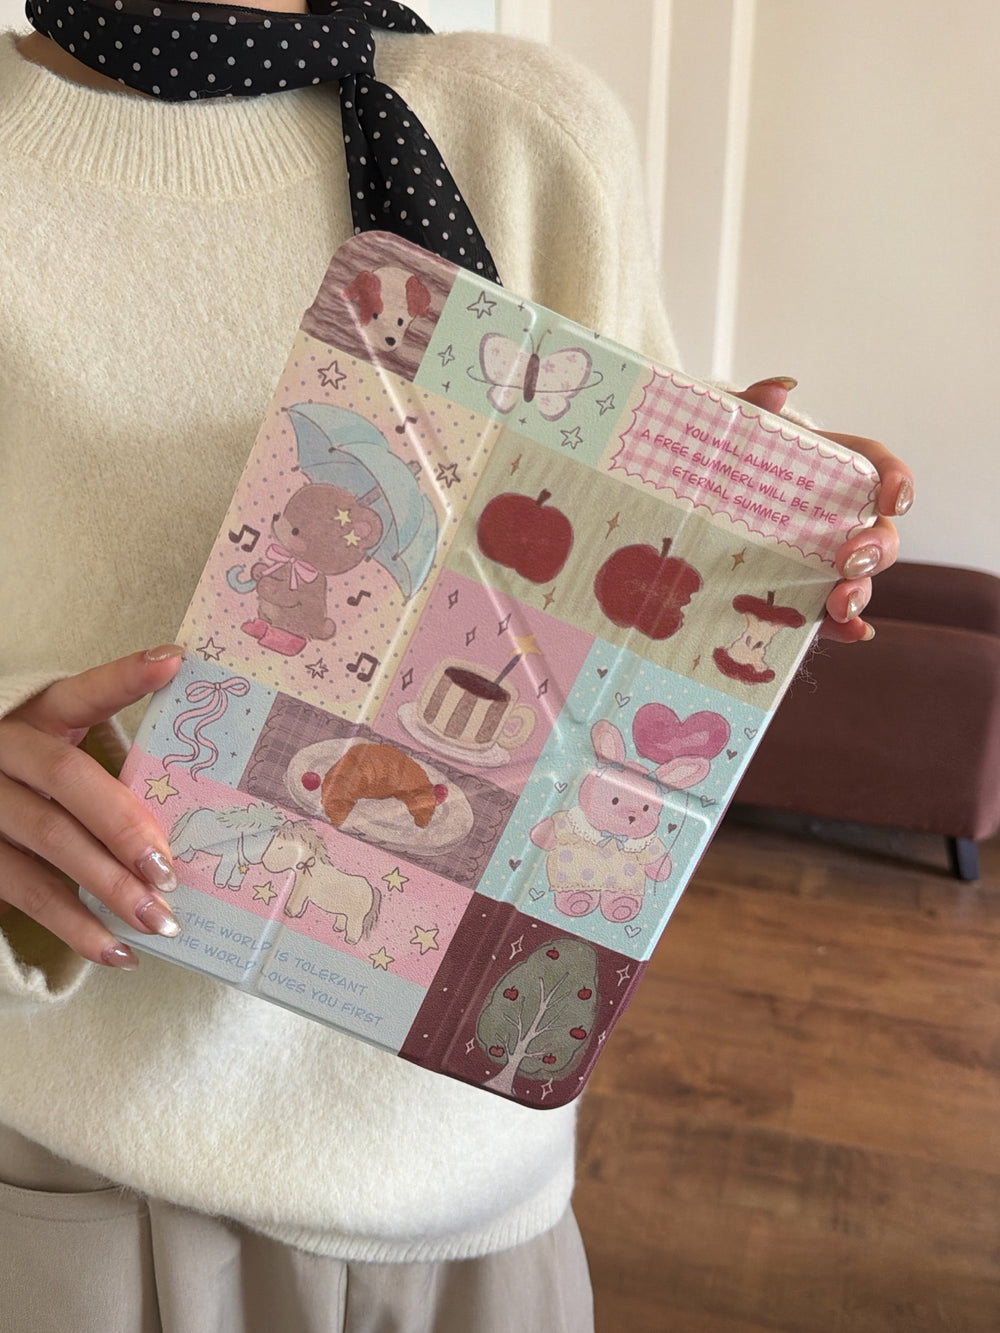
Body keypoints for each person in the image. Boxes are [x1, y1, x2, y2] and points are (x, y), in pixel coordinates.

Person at [0, 2, 913, 1329]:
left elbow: (618, 581)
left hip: (472, 1165)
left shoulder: (527, 134)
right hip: (83, 1170)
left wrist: (748, 534)